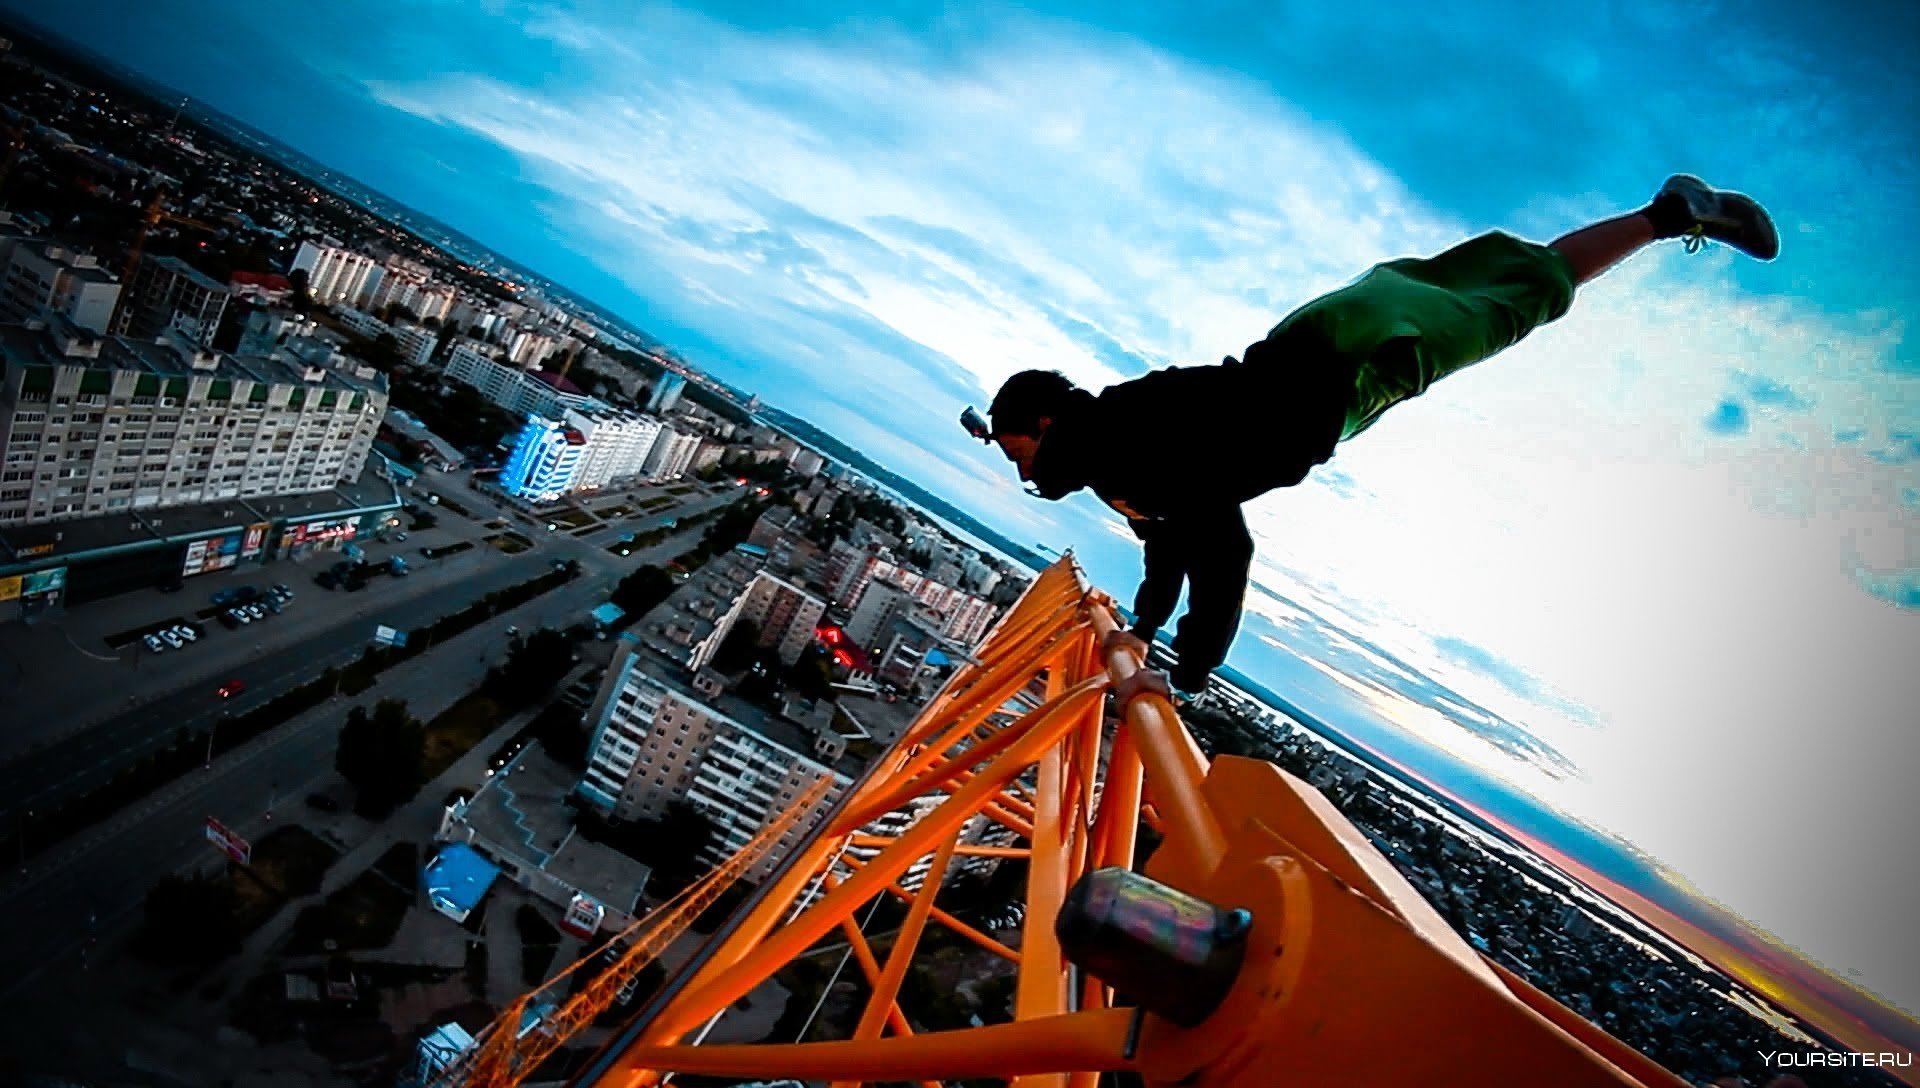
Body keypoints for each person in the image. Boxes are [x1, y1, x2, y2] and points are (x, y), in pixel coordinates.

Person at [963, 175, 1778, 704]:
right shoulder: (1113, 448)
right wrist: (1146, 627)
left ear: (1039, 425)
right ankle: (1664, 215)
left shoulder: (1115, 450)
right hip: (1317, 340)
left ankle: (1669, 216)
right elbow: (1170, 540)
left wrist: (1191, 669)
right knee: (1487, 280)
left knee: (1518, 300)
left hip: (1352, 362)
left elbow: (1220, 545)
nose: (1021, 470)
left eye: (1014, 451)